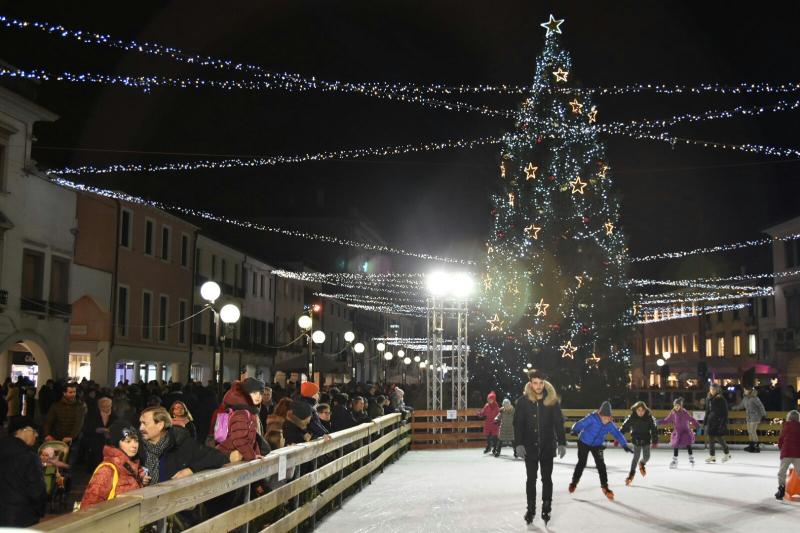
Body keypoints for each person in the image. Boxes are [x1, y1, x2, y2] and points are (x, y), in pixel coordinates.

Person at [513, 371, 566, 525]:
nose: (538, 386)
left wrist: (562, 442)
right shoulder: (523, 402)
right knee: (531, 479)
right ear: (530, 384)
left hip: (547, 447)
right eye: (535, 383)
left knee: (547, 479)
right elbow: (518, 425)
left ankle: (546, 507)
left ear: (544, 383)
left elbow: (558, 423)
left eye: (541, 383)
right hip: (529, 447)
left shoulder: (552, 401)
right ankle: (531, 508)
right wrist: (519, 444)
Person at [138, 406, 231, 485]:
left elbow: (217, 457)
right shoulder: (136, 447)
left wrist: (191, 469)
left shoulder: (181, 443)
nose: (140, 428)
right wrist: (138, 477)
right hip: (148, 502)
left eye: (145, 424)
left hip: (177, 501)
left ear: (160, 425)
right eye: (140, 423)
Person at [569, 401, 633, 501]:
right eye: (604, 418)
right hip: (584, 442)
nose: (605, 420)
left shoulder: (610, 424)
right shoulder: (592, 418)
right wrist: (575, 429)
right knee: (582, 462)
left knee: (601, 465)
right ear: (600, 414)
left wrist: (624, 445)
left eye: (608, 418)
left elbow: (617, 434)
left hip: (597, 445)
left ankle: (605, 486)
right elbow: (581, 423)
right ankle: (574, 482)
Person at [80, 421, 148, 508]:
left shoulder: (134, 468)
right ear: (116, 443)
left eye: (136, 441)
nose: (134, 445)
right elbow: (88, 508)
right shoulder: (106, 470)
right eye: (128, 441)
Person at [0, 417, 47, 527]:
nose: (36, 435)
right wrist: (39, 511)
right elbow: (37, 491)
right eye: (34, 431)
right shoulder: (29, 456)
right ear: (23, 430)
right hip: (21, 517)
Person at [216, 378, 267, 461]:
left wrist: (256, 454)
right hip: (228, 457)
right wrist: (252, 456)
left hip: (236, 456)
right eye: (254, 393)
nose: (258, 397)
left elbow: (252, 440)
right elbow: (239, 440)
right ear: (246, 394)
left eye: (260, 394)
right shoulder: (241, 413)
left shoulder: (250, 411)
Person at [43, 382, 85, 472]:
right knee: (54, 463)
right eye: (70, 392)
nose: (73, 394)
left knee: (69, 464)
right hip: (57, 438)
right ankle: (55, 483)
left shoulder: (79, 406)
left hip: (73, 440)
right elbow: (48, 421)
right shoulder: (56, 406)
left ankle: (66, 483)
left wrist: (71, 436)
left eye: (74, 392)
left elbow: (79, 423)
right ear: (64, 393)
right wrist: (47, 434)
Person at [620, 401, 658, 484]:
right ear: (635, 410)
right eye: (639, 410)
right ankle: (631, 474)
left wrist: (655, 440)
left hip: (646, 439)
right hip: (636, 439)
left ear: (645, 410)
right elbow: (624, 427)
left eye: (642, 410)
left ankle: (642, 463)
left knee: (647, 457)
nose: (640, 412)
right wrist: (618, 437)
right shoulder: (632, 418)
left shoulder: (649, 418)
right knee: (635, 457)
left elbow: (654, 429)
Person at [658, 397, 698, 468]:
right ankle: (675, 460)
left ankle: (691, 459)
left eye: (678, 405)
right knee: (675, 445)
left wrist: (697, 424)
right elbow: (667, 420)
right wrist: (659, 422)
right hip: (678, 432)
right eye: (675, 405)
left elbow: (691, 419)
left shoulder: (684, 412)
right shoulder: (673, 413)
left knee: (688, 444)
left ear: (680, 406)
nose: (676, 407)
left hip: (685, 431)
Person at [84, 396, 117, 471]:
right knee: (96, 462)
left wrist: (111, 431)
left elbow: (118, 428)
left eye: (108, 406)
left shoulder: (114, 415)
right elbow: (86, 428)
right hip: (95, 441)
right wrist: (96, 430)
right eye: (104, 406)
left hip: (109, 442)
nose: (107, 408)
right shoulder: (92, 414)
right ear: (99, 407)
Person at [733, 387, 767, 453]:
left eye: (746, 389)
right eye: (744, 389)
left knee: (753, 431)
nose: (744, 390)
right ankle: (751, 446)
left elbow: (761, 406)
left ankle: (756, 447)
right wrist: (733, 408)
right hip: (748, 417)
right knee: (749, 432)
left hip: (755, 417)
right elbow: (741, 406)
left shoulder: (755, 398)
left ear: (750, 391)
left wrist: (763, 414)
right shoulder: (745, 399)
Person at [776, 410, 800, 499]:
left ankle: (781, 490)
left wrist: (780, 447)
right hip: (798, 454)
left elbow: (781, 438)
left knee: (782, 472)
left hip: (786, 453)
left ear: (788, 417)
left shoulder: (785, 425)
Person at [705, 384, 731, 463]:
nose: (712, 390)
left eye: (713, 389)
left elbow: (725, 412)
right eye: (711, 389)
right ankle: (712, 456)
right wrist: (705, 420)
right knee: (711, 438)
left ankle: (727, 453)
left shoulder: (720, 399)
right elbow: (708, 411)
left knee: (719, 438)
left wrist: (723, 422)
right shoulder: (708, 398)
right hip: (711, 421)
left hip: (718, 421)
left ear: (717, 390)